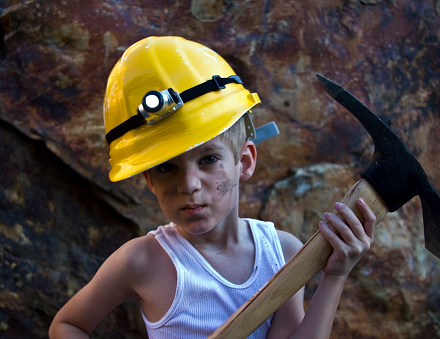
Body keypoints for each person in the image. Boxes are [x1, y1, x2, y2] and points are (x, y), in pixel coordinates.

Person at [49, 36, 376, 339]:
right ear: (149, 179)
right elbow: (67, 325)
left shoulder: (283, 255)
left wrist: (334, 277)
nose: (189, 185)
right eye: (166, 167)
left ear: (244, 161)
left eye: (208, 159)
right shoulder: (141, 262)